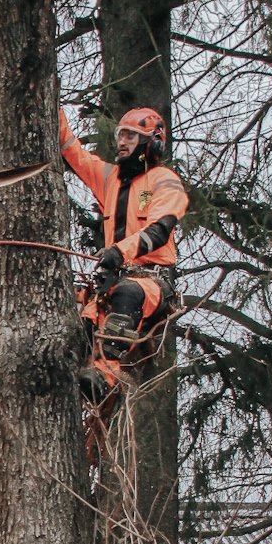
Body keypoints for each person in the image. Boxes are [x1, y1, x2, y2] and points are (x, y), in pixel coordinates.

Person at [58, 105, 189, 401]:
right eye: (121, 135)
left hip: (151, 283)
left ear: (150, 142)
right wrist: (52, 104)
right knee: (78, 312)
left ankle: (105, 375)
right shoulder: (110, 178)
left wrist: (119, 251)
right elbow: (72, 150)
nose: (122, 142)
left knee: (127, 293)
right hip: (113, 282)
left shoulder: (163, 180)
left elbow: (159, 229)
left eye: (130, 136)